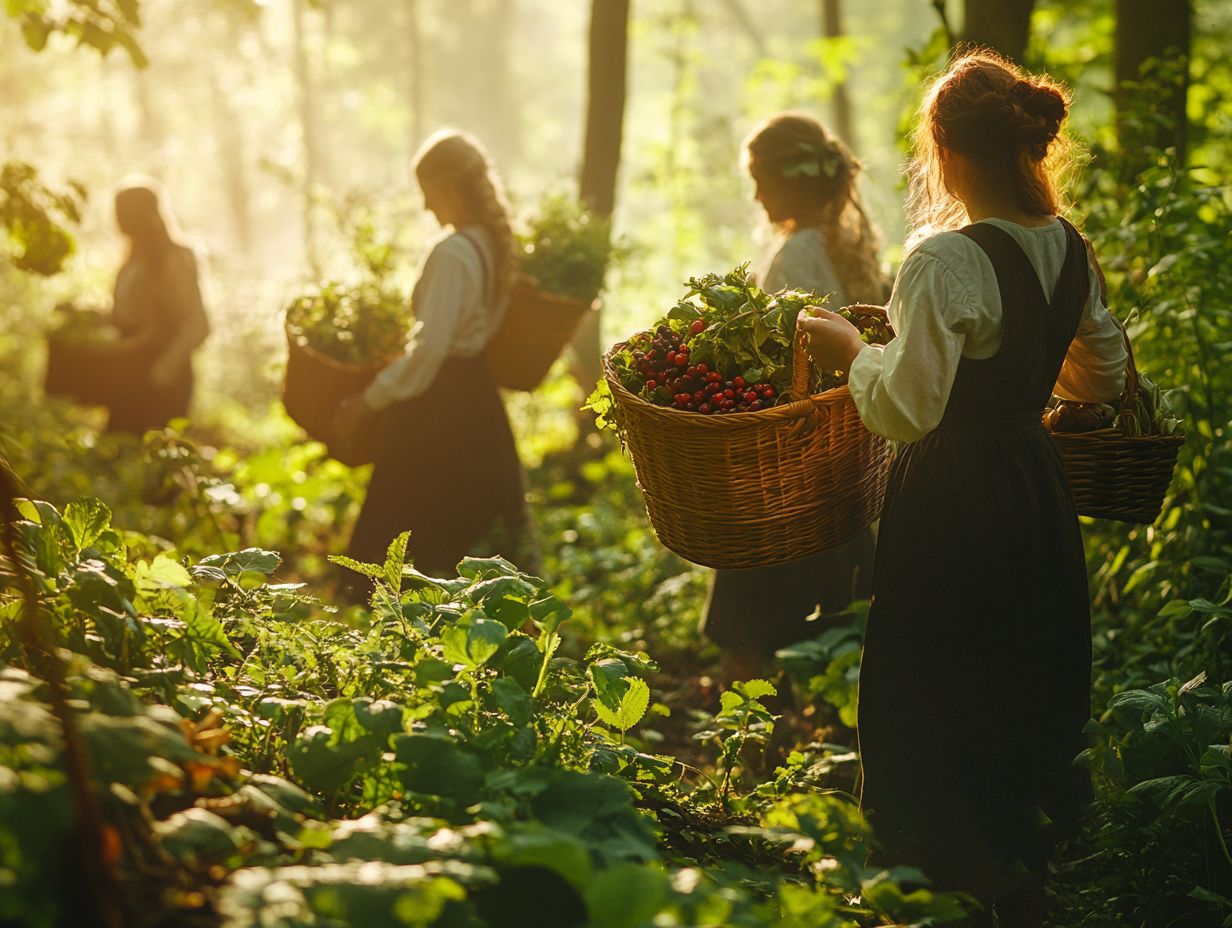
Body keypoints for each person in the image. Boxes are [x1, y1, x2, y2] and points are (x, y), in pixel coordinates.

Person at [798, 52, 1127, 926]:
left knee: (938, 661)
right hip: (1032, 483)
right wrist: (1028, 383)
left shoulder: (943, 261)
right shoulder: (1066, 247)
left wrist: (848, 351)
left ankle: (948, 863)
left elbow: (907, 409)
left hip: (951, 490)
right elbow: (1102, 375)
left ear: (941, 152)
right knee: (1021, 654)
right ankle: (1016, 845)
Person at [701, 113, 888, 682]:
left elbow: (777, 360)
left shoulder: (798, 253)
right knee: (836, 607)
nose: (755, 193)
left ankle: (746, 743)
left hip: (786, 459)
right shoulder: (851, 246)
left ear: (792, 179)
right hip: (839, 451)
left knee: (754, 620)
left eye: (759, 177)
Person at [334, 130, 536, 578]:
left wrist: (367, 401)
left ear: (447, 187)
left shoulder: (453, 253)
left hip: (439, 413)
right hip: (477, 403)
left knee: (418, 539)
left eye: (427, 193)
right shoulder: (493, 244)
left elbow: (428, 353)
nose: (426, 207)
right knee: (473, 537)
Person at [105, 183, 209, 434]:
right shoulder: (132, 259)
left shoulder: (175, 259)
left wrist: (165, 368)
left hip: (163, 379)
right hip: (130, 373)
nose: (116, 219)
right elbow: (126, 315)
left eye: (122, 211)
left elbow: (198, 324)